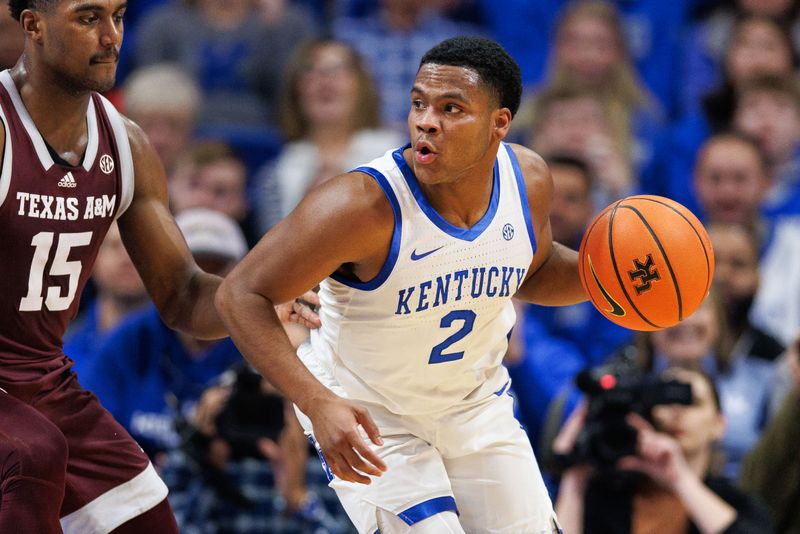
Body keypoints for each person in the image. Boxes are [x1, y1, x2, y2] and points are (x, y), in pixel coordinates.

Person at [217, 36, 587, 533]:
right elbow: (238, 293)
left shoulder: (529, 179)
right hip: (373, 415)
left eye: (451, 108)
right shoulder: (359, 206)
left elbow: (534, 270)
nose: (426, 121)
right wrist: (314, 401)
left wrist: (603, 278)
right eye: (418, 104)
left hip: (474, 405)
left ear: (500, 123)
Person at [0, 2, 312, 532]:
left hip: (44, 384)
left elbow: (184, 296)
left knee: (147, 516)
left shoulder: (127, 145)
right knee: (33, 455)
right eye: (87, 17)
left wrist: (256, 297)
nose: (111, 36)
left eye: (119, 16)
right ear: (33, 25)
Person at [552, 367, 774, 534]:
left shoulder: (737, 504)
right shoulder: (606, 496)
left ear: (719, 424)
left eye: (692, 402)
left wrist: (680, 480)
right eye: (665, 401)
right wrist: (574, 475)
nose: (676, 411)